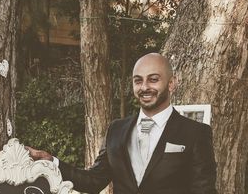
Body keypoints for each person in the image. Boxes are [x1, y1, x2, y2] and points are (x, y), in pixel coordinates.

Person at [26, 53, 217, 194]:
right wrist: (52, 162)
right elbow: (93, 181)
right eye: (138, 81)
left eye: (153, 79)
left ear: (172, 83)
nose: (144, 87)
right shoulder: (116, 130)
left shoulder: (195, 133)